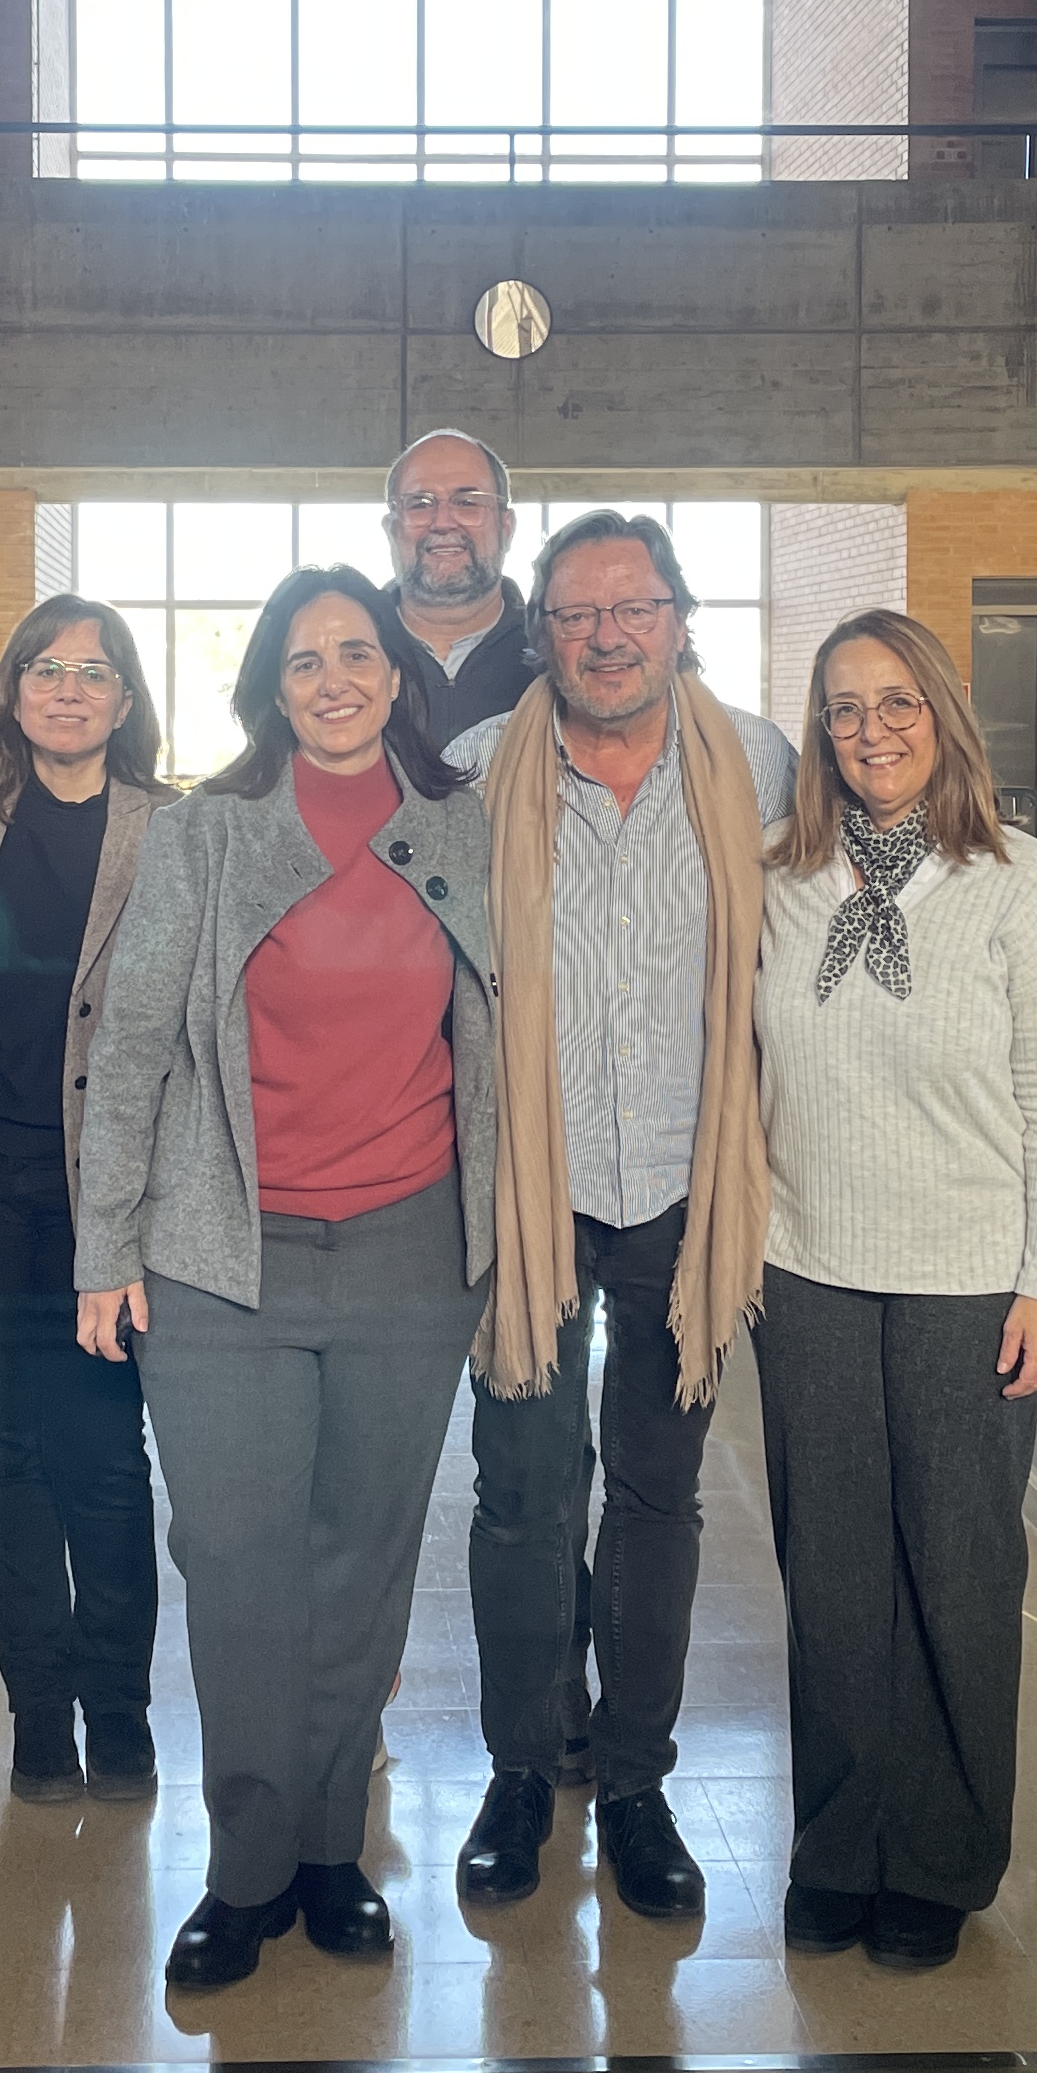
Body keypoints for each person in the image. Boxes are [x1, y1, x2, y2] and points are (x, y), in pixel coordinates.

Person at [76, 568, 496, 1991]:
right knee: (242, 1565)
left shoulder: (463, 826)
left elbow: (508, 1035)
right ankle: (245, 1866)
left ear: (396, 674)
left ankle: (333, 1850)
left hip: (408, 1252)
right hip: (218, 1260)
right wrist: (105, 1247)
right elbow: (130, 1045)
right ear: (270, 684)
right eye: (304, 658)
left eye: (357, 653)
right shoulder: (206, 834)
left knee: (362, 1566)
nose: (333, 678)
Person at [442, 511, 794, 1923]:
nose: (605, 635)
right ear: (544, 633)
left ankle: (637, 1778)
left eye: (631, 608)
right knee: (524, 1493)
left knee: (657, 1494)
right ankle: (525, 1767)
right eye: (578, 615)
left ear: (678, 618)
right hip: (528, 1183)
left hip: (683, 1187)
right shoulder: (475, 773)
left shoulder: (760, 764)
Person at [754, 610, 1037, 1972]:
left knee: (957, 1575)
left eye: (895, 702)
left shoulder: (1023, 888)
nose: (871, 730)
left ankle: (943, 1859)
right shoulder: (787, 882)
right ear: (822, 734)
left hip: (973, 1286)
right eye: (843, 708)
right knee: (832, 1582)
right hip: (811, 1272)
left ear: (941, 715)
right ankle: (840, 1846)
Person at [0, 595, 174, 1803]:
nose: (68, 690)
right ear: (8, 693)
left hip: (108, 1199)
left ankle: (119, 1706)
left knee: (105, 1455)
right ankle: (36, 1715)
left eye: (94, 672)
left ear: (126, 699)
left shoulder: (172, 829)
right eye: (46, 670)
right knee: (4, 1451)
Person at [381, 426, 539, 736]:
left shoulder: (556, 652)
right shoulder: (348, 651)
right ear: (391, 530)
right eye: (419, 504)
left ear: (506, 528)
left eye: (467, 502)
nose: (442, 522)